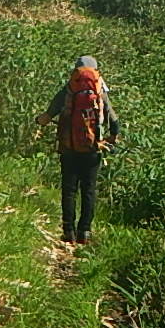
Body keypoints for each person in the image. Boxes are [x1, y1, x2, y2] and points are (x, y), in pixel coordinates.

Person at [35, 55, 119, 245]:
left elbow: (47, 116)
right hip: (92, 149)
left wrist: (40, 121)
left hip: (68, 148)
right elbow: (114, 121)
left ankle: (68, 231)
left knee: (69, 190)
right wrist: (111, 139)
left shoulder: (68, 90)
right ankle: (85, 232)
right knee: (88, 190)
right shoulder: (100, 91)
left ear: (76, 70)